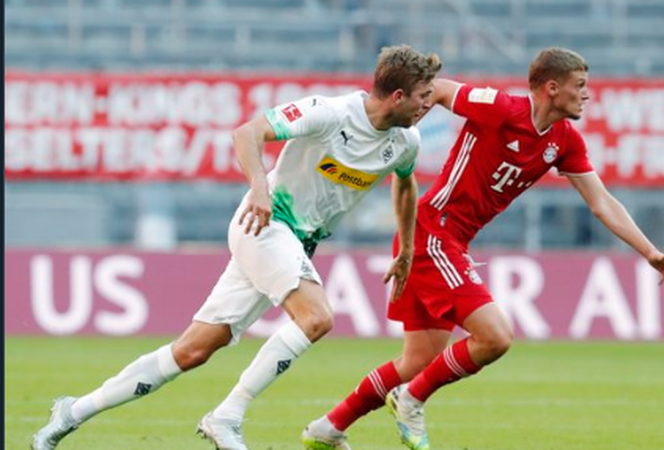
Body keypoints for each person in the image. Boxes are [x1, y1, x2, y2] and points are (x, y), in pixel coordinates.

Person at [31, 44, 442, 450]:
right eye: (424, 96)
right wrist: (260, 186)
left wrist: (405, 249)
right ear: (397, 96)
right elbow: (248, 132)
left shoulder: (406, 142)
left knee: (192, 351)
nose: (430, 104)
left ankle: (72, 412)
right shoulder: (330, 113)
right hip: (264, 223)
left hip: (297, 242)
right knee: (316, 318)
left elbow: (405, 186)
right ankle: (227, 416)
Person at [301, 47, 664, 450]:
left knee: (417, 361)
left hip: (445, 239)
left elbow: (602, 202)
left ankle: (328, 428)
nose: (586, 95)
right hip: (434, 230)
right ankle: (412, 399)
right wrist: (393, 139)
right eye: (580, 86)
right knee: (495, 337)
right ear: (552, 88)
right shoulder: (502, 109)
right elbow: (436, 90)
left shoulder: (564, 140)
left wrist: (649, 252)